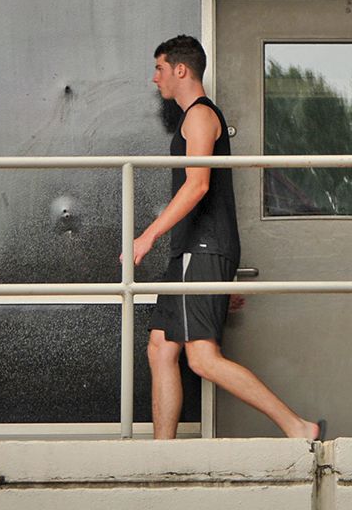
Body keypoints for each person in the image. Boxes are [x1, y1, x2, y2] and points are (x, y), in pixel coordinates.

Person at [132, 35, 323, 440]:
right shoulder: (193, 118)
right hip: (192, 251)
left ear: (180, 70)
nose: (155, 79)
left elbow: (198, 185)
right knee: (161, 348)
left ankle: (298, 426)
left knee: (201, 358)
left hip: (200, 249)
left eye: (160, 69)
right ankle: (160, 456)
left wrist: (147, 234)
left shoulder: (200, 117)